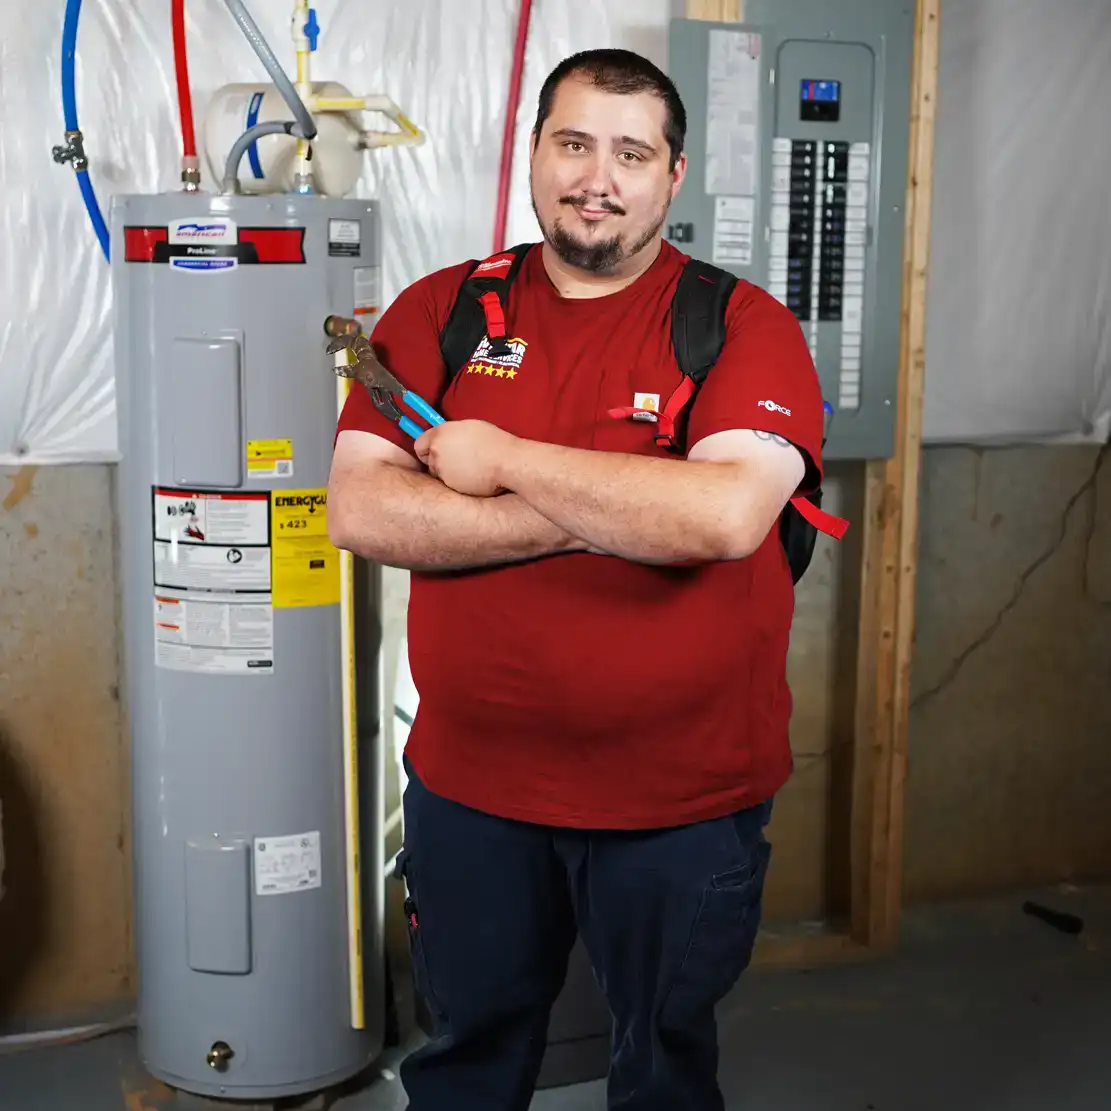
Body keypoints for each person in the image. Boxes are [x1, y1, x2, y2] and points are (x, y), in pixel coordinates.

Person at [328, 47, 826, 1111]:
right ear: (536, 153)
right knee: (465, 1062)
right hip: (474, 794)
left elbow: (725, 515)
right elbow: (362, 508)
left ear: (671, 176)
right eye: (573, 143)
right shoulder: (442, 311)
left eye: (630, 152)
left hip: (681, 800)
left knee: (660, 1065)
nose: (597, 177)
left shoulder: (740, 326)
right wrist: (615, 509)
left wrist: (500, 464)